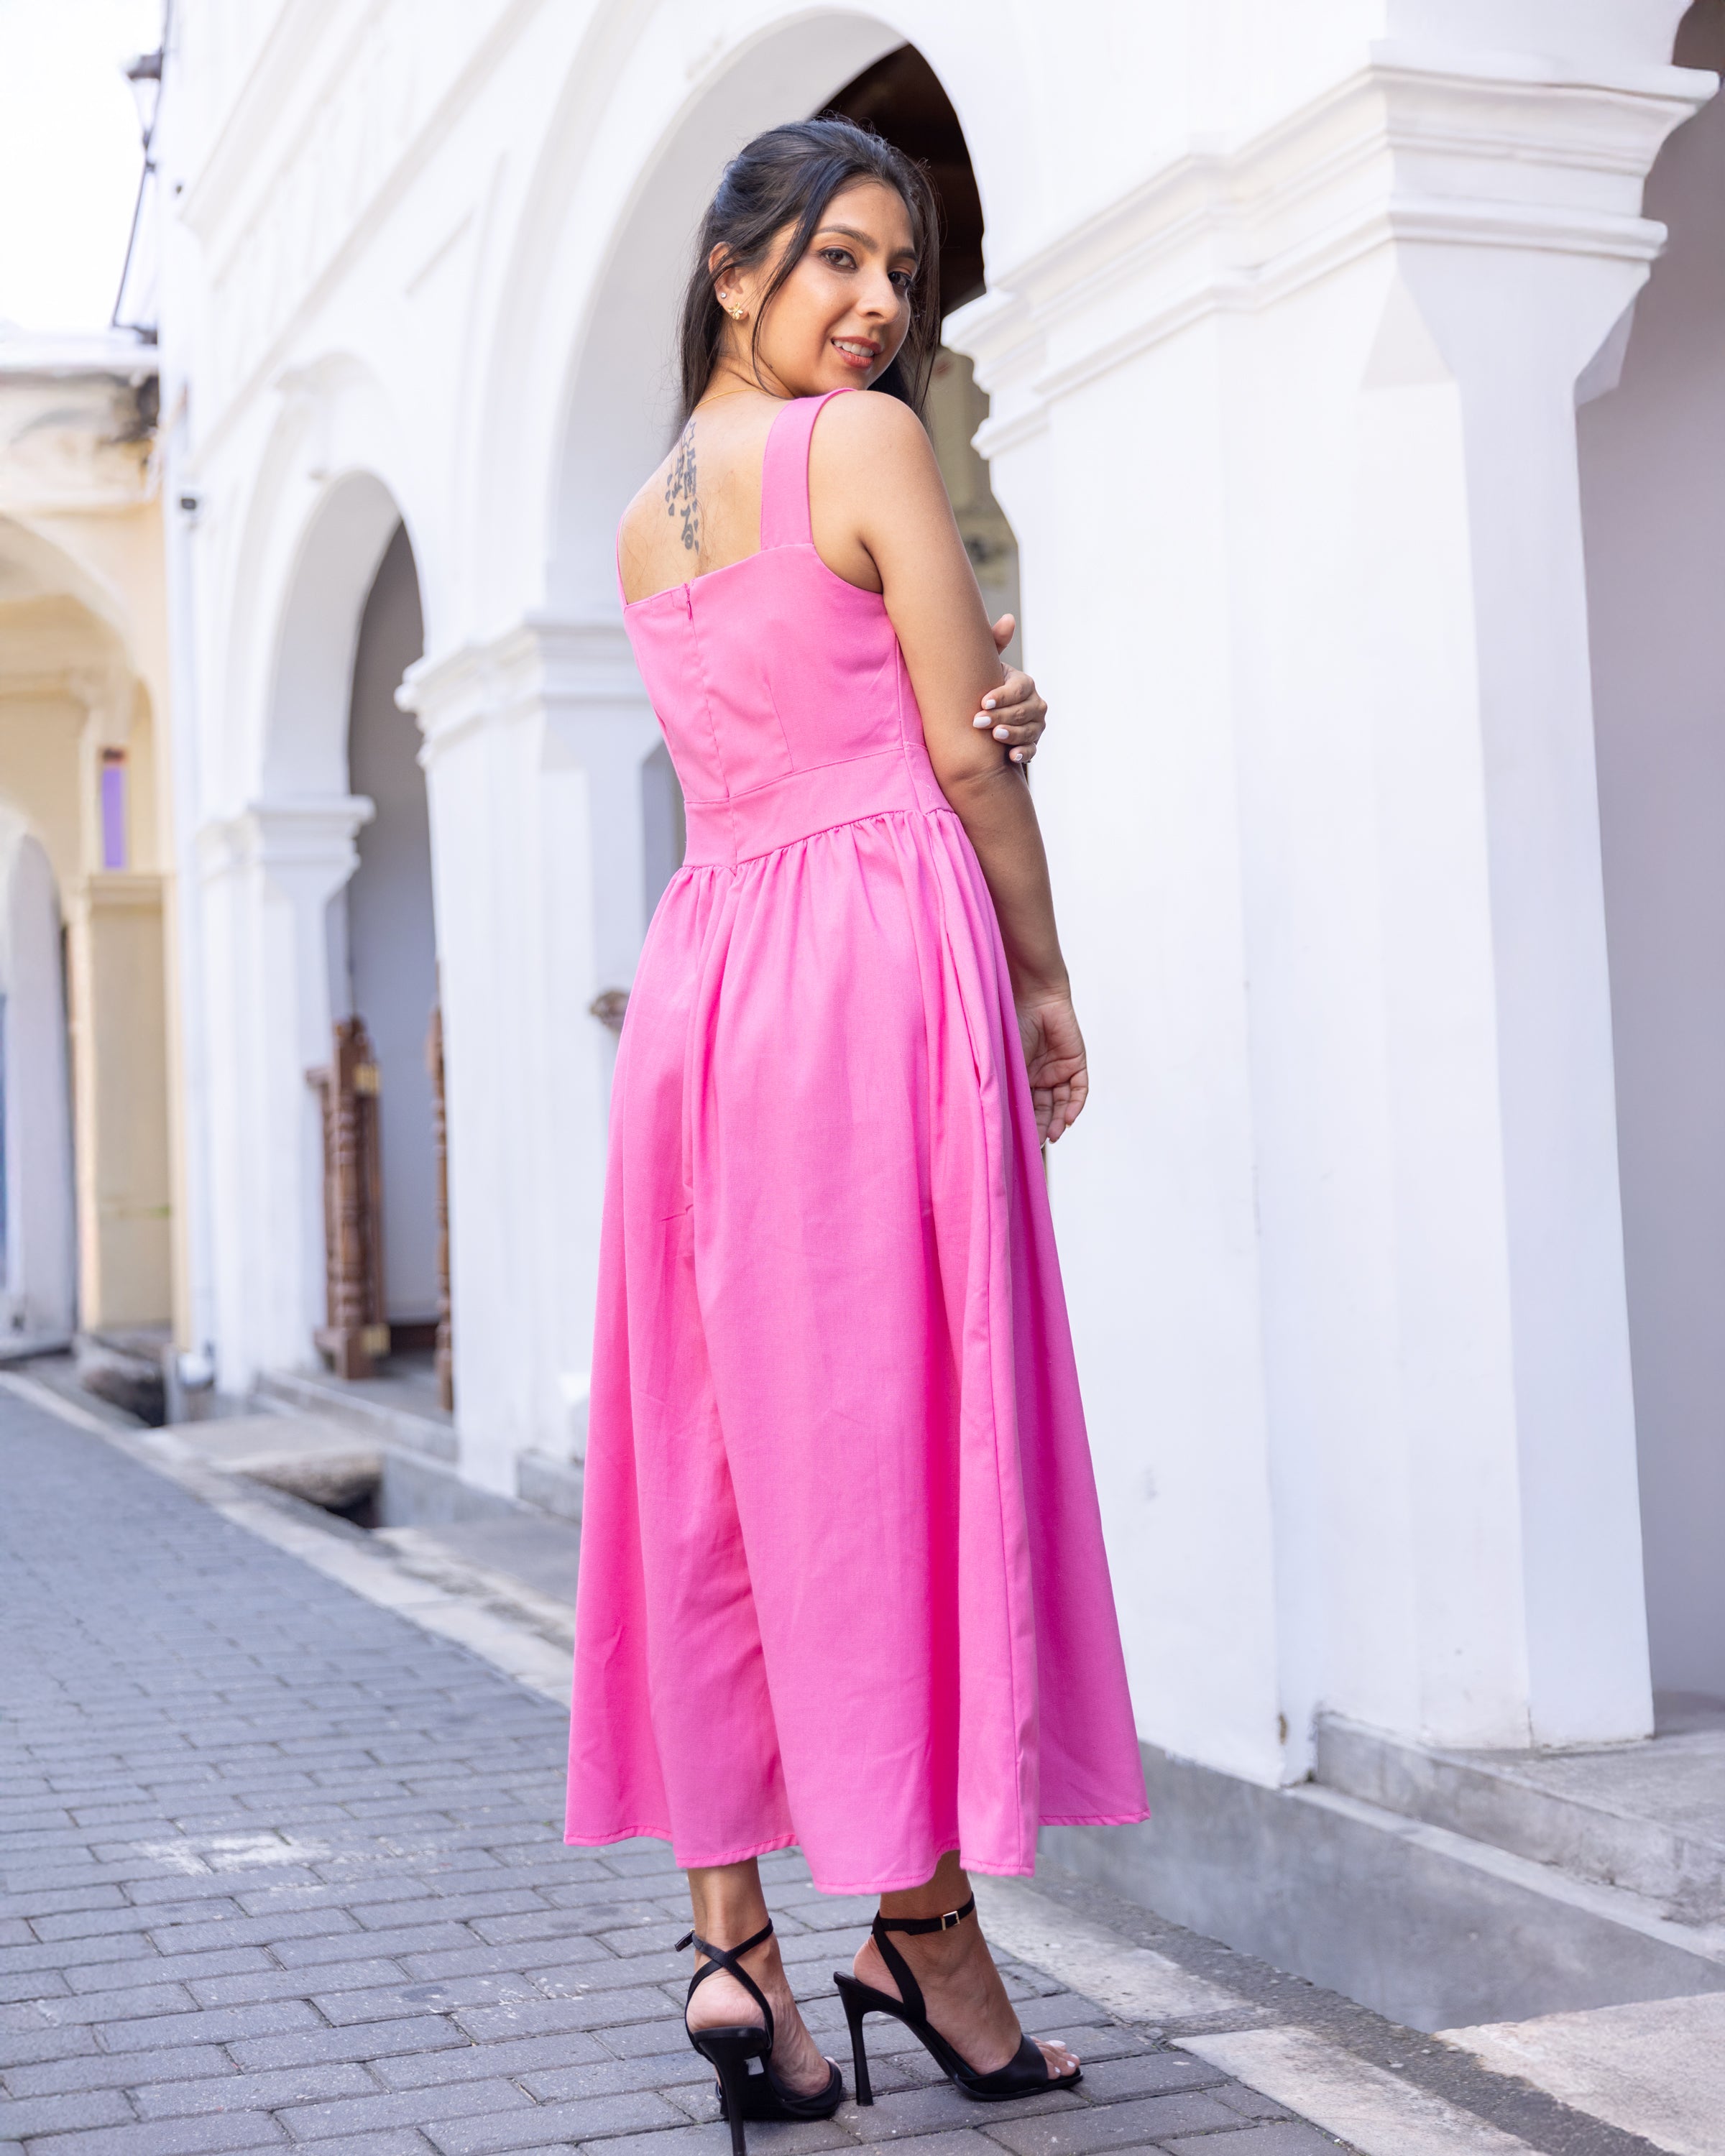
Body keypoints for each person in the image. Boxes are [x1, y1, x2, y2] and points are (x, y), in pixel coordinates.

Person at [566, 116, 1147, 2153]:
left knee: (720, 1459)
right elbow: (956, 772)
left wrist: (959, 711)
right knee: (900, 1444)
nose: (879, 306)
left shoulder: (647, 516)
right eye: (838, 260)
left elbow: (807, 721)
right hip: (878, 962)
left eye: (900, 272)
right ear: (734, 270)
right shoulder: (871, 446)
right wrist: (1050, 967)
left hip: (712, 981)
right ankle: (927, 1933)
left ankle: (733, 1947)